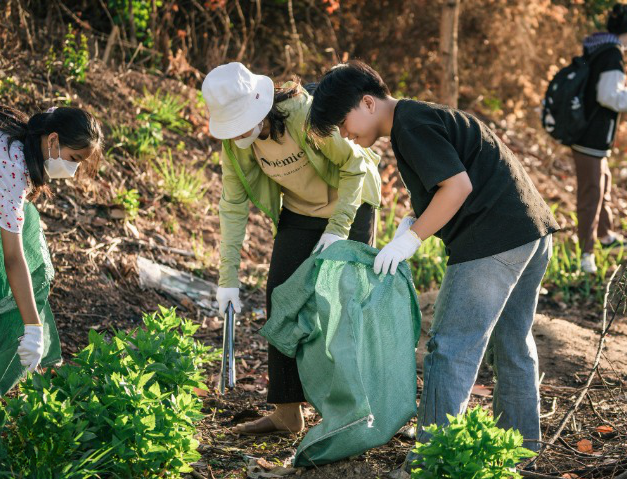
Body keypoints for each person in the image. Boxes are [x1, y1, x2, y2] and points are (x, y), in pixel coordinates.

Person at [307, 60, 559, 461]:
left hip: (491, 241)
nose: (345, 135)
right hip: (531, 231)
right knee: (512, 343)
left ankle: (432, 459)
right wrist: (410, 222)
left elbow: (457, 187)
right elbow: (447, 183)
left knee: (449, 347)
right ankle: (522, 450)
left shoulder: (411, 125)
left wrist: (411, 239)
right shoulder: (419, 117)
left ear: (367, 103)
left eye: (342, 123)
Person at [201, 63, 381, 435]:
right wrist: (228, 279)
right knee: (281, 299)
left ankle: (357, 413)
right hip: (299, 212)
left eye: (240, 123)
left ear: (260, 106)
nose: (236, 134)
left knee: (345, 306)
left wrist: (337, 229)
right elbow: (232, 207)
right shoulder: (236, 147)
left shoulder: (301, 113)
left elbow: (354, 167)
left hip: (351, 203)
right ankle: (286, 413)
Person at [0, 105, 102, 393]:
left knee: (26, 220)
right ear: (53, 140)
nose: (74, 168)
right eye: (74, 158)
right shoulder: (12, 166)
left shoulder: (17, 143)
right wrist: (32, 328)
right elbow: (14, 258)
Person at [572, 3, 627, 273]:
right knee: (592, 193)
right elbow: (608, 96)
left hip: (589, 133)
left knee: (604, 185)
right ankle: (586, 255)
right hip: (591, 136)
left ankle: (606, 237)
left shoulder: (598, 46)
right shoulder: (612, 54)